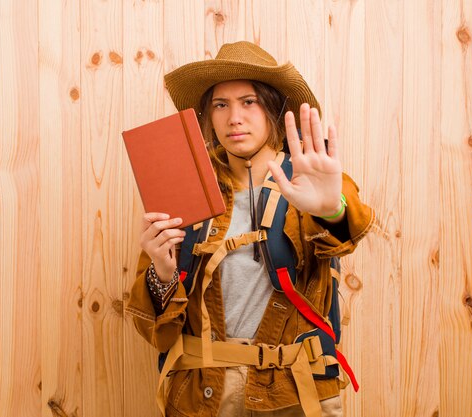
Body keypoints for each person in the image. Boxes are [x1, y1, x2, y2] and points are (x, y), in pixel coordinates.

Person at [126, 41, 374, 417]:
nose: (234, 118)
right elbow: (156, 330)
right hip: (200, 396)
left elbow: (347, 229)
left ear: (273, 110)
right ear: (207, 117)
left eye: (248, 102)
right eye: (220, 105)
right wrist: (161, 273)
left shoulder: (311, 179)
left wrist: (331, 209)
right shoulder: (183, 187)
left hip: (293, 395)